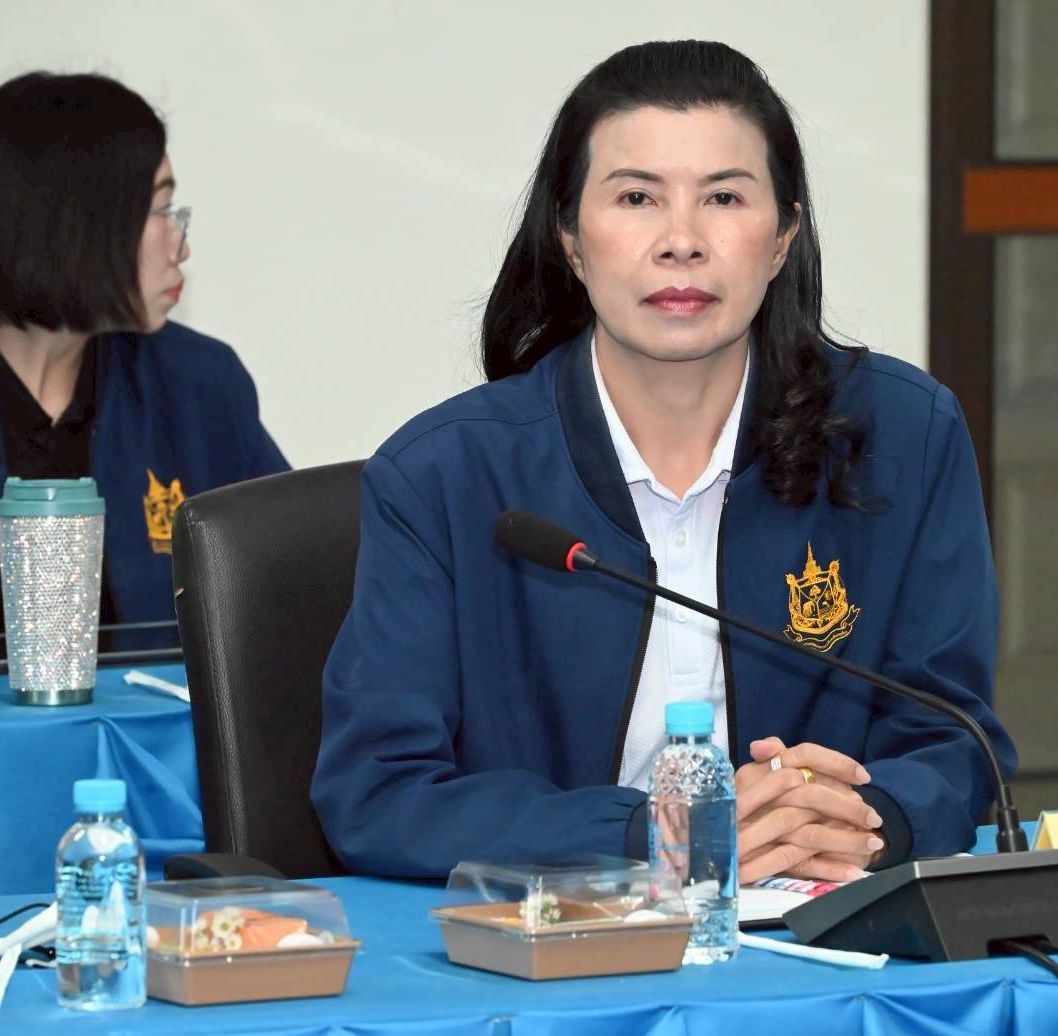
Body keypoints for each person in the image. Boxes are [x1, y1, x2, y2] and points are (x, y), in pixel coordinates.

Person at [314, 39, 1015, 883]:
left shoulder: (900, 437)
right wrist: (651, 834)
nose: (681, 241)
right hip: (562, 941)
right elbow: (378, 792)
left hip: (821, 923)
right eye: (637, 197)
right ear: (571, 237)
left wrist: (872, 820)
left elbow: (953, 737)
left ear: (782, 236)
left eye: (723, 197)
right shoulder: (445, 475)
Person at [0, 72, 287, 679]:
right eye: (162, 211)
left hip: (154, 738)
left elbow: (296, 578)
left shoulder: (199, 386)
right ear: (71, 225)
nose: (182, 245)